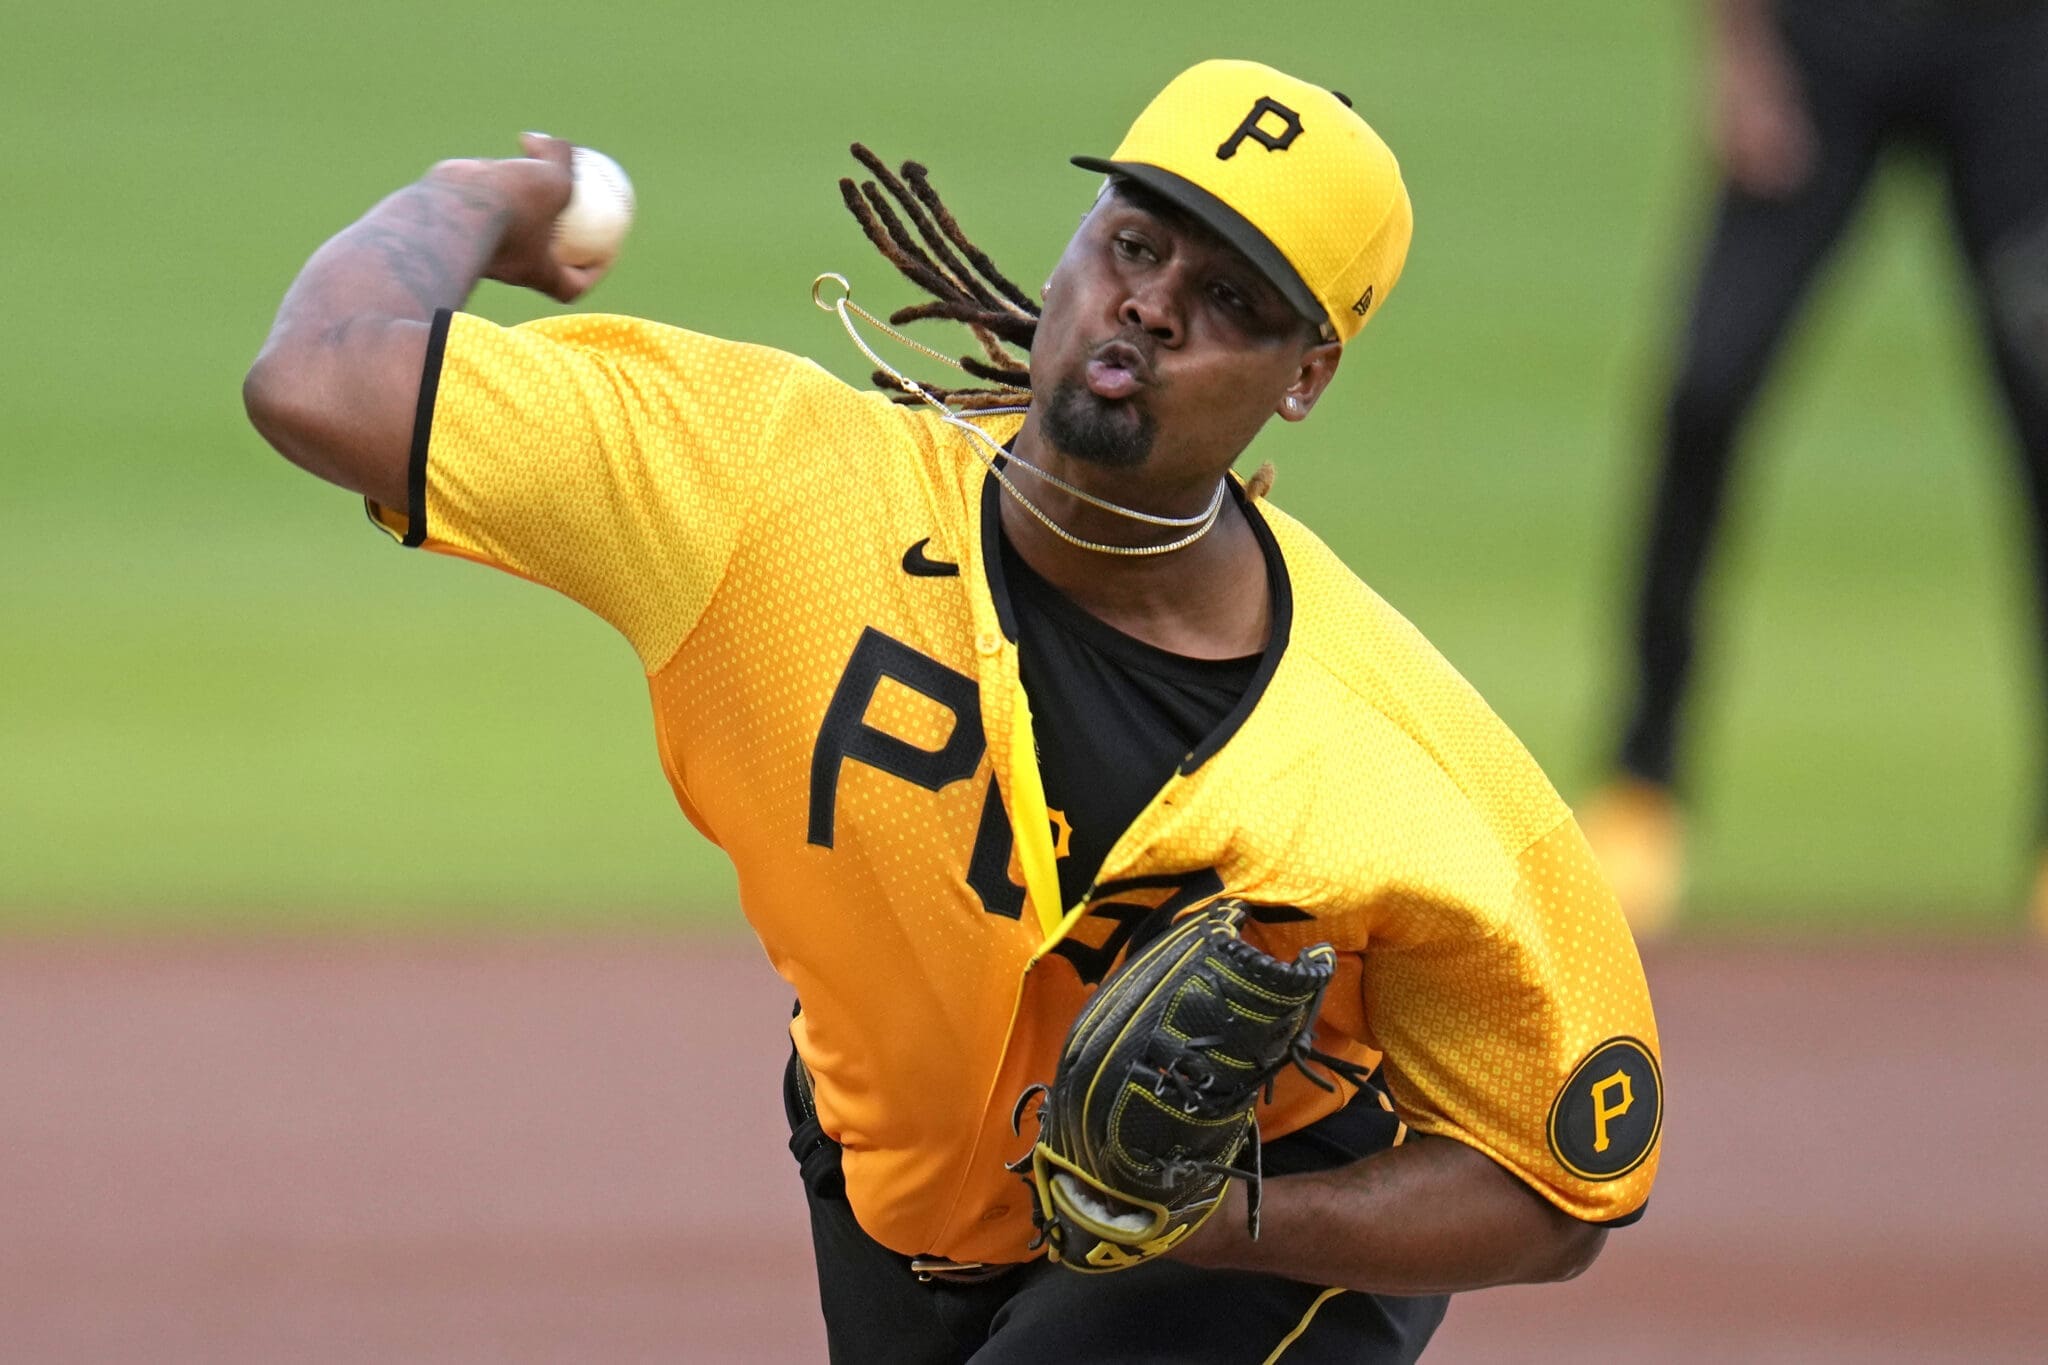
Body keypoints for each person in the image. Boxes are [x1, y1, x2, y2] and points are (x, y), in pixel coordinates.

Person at [245, 59, 1661, 1364]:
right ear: (1078, 243)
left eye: (1233, 301)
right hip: (888, 1185)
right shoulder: (771, 495)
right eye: (1135, 243)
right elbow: (321, 379)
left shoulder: (1393, 758)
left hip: (1244, 1247)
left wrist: (1222, 1218)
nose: (1154, 305)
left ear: (1307, 376)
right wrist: (483, 198)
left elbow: (1559, 1184)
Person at [1578, 0, 2048, 937]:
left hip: (2013, 46)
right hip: (1824, 38)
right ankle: (1642, 786)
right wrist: (1740, 55)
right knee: (1705, 388)